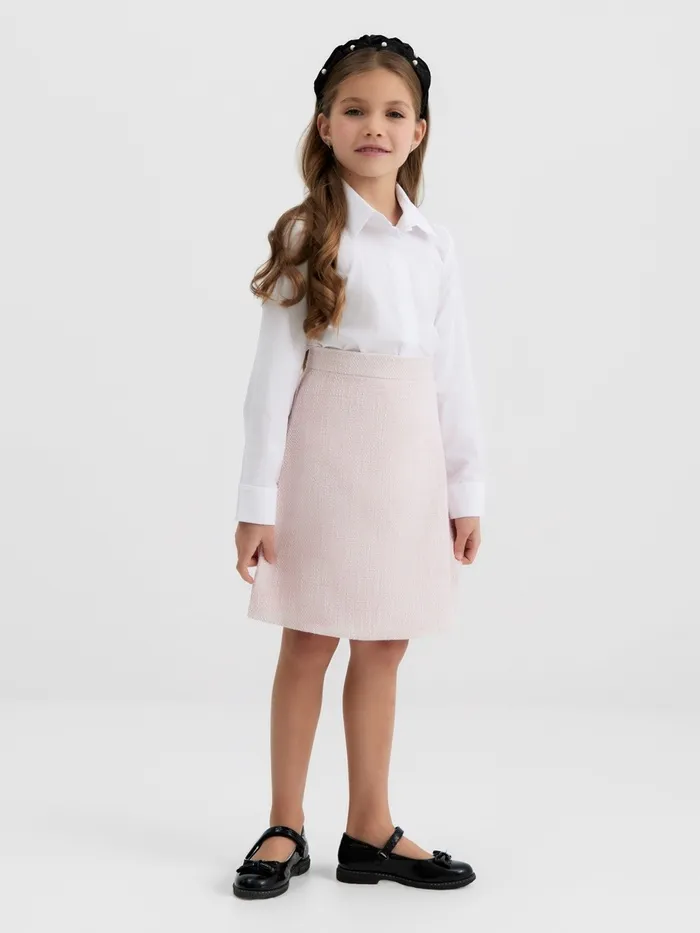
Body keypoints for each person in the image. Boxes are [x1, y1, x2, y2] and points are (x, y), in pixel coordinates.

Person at [232, 34, 485, 900]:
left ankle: (370, 825)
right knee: (309, 638)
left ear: (418, 132)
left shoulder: (434, 245)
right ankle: (284, 822)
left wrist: (465, 490)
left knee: (385, 642)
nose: (374, 126)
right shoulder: (309, 234)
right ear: (325, 124)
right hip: (326, 458)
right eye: (354, 110)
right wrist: (256, 500)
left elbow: (454, 376)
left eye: (393, 112)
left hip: (409, 464)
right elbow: (271, 379)